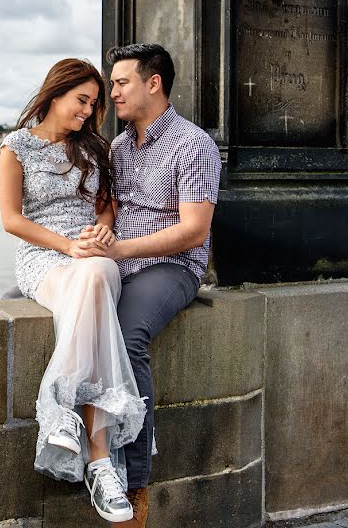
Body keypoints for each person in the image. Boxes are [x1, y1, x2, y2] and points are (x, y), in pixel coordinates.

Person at [77, 43, 221, 527]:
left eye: (120, 83)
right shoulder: (118, 146)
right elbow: (112, 207)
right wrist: (103, 230)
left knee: (127, 332)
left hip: (171, 266)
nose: (111, 92)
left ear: (152, 83)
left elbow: (194, 229)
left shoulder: (192, 144)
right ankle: (91, 457)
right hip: (119, 259)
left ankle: (135, 485)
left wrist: (120, 250)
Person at [0, 58, 147, 524]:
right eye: (82, 101)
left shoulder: (94, 149)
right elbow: (11, 220)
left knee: (98, 272)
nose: (88, 112)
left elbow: (107, 210)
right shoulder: (14, 147)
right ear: (56, 93)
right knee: (95, 278)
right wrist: (69, 245)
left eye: (94, 104)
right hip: (44, 256)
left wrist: (100, 235)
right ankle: (101, 461)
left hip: (91, 256)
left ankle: (60, 406)